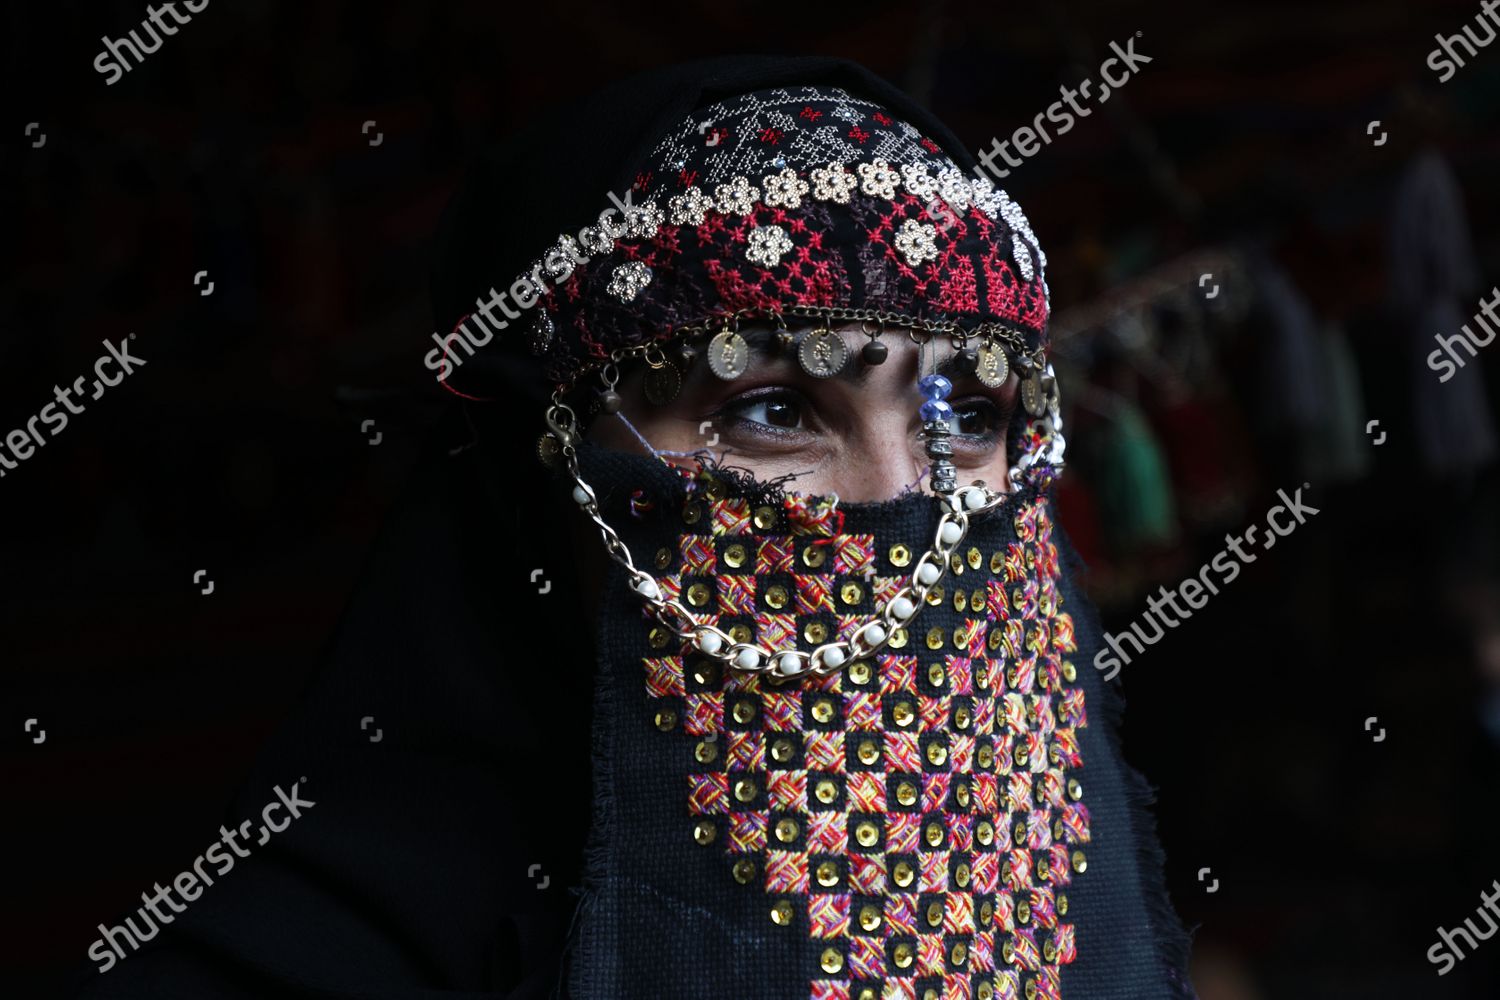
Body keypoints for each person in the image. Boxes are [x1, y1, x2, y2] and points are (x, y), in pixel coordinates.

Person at [76, 55, 1193, 1000]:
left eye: (974, 411)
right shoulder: (303, 956)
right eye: (771, 409)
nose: (906, 507)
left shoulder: (1043, 906)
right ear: (545, 464)